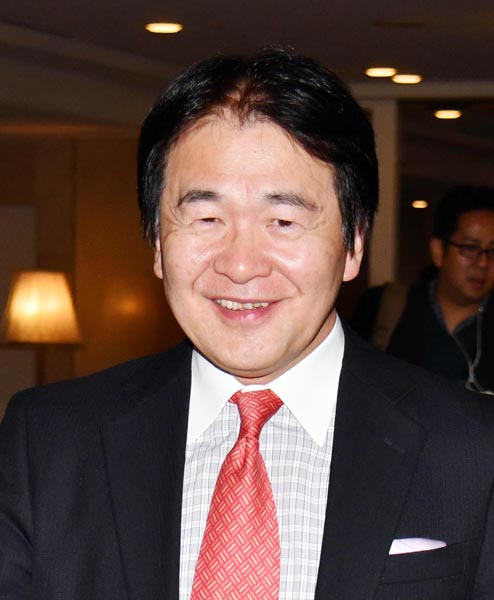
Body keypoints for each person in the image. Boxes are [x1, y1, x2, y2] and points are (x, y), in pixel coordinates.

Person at [1, 48, 494, 600]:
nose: (239, 265)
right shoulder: (49, 443)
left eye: (282, 221)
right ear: (158, 241)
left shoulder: (474, 450)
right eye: (206, 218)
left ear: (354, 243)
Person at [352, 186, 494, 394]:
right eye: (470, 248)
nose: (483, 263)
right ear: (438, 251)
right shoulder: (384, 308)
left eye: (492, 251)